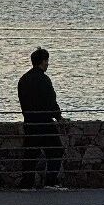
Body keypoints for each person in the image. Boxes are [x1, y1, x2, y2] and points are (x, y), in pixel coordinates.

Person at [17, 47, 65, 191]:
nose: (48, 64)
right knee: (56, 150)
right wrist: (58, 116)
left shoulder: (23, 79)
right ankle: (50, 182)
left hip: (29, 121)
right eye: (46, 61)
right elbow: (51, 101)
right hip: (44, 122)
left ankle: (27, 183)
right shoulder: (44, 79)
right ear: (42, 61)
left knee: (30, 153)